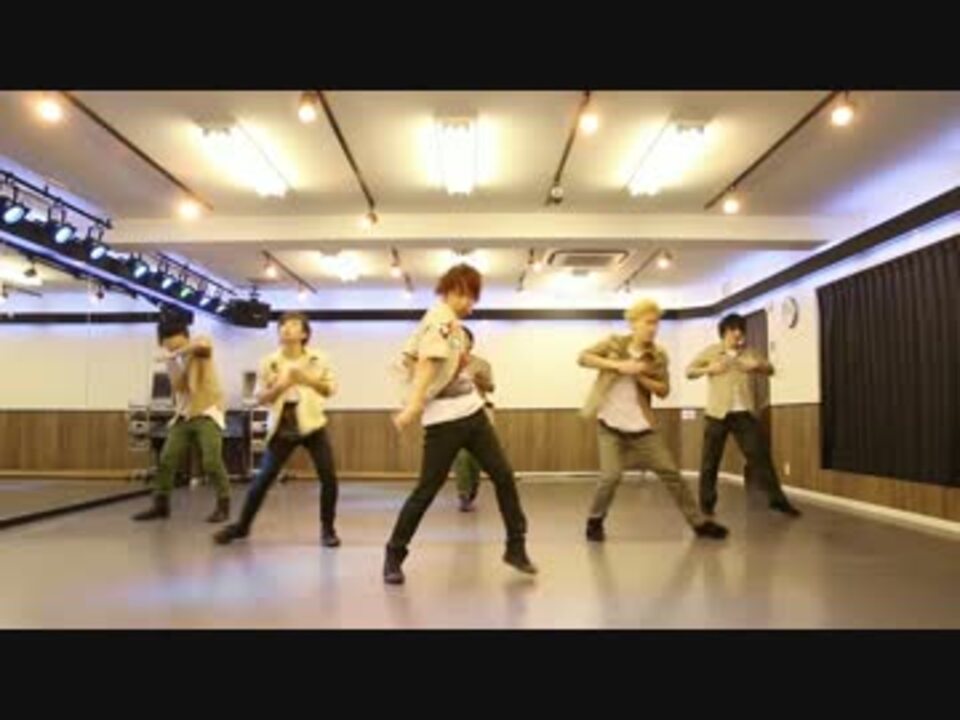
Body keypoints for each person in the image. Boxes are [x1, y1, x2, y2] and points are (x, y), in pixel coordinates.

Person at [383, 263, 536, 585]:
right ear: (447, 292)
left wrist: (457, 368)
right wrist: (414, 404)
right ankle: (394, 554)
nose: (468, 303)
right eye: (462, 295)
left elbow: (422, 362)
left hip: (473, 413)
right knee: (426, 490)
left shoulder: (452, 324)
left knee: (504, 476)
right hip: (443, 421)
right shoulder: (439, 319)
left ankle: (516, 547)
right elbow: (426, 363)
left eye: (472, 297)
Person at [578, 298, 729, 542]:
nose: (653, 328)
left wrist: (639, 375)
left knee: (671, 472)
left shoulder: (658, 355)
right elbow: (583, 358)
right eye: (648, 322)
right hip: (609, 427)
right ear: (633, 323)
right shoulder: (614, 343)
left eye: (656, 323)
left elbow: (663, 390)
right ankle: (595, 521)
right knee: (610, 477)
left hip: (642, 428)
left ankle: (699, 523)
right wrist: (618, 365)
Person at [214, 312, 341, 547]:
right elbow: (261, 399)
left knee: (329, 477)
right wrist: (282, 385)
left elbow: (330, 389)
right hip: (283, 424)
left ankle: (328, 530)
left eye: (293, 325)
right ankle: (241, 527)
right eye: (282, 325)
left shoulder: (318, 359)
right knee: (263, 479)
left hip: (313, 423)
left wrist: (304, 378)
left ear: (304, 334)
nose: (286, 329)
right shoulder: (269, 362)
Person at [686, 312, 801, 518]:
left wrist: (757, 366)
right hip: (717, 414)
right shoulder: (712, 351)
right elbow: (689, 371)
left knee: (761, 457)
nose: (738, 334)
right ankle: (706, 504)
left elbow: (770, 369)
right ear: (724, 332)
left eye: (741, 330)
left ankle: (778, 502)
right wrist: (709, 368)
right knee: (710, 461)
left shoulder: (749, 352)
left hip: (744, 414)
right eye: (733, 330)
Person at [132, 316, 231, 523]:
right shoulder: (173, 358)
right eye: (167, 343)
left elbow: (203, 345)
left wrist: (176, 353)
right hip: (184, 415)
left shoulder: (199, 346)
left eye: (175, 342)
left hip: (207, 412)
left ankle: (224, 505)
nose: (171, 346)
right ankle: (161, 505)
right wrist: (171, 361)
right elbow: (179, 387)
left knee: (211, 461)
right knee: (167, 459)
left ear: (185, 337)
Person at [452, 325, 496, 512]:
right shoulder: (447, 364)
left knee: (476, 458)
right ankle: (463, 494)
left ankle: (472, 490)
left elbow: (491, 388)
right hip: (455, 414)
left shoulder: (482, 364)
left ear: (471, 343)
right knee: (461, 456)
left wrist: (480, 381)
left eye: (465, 339)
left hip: (480, 414)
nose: (462, 342)